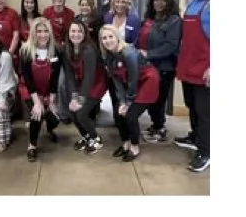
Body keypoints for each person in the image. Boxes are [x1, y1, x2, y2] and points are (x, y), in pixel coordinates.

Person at [98, 23, 159, 163]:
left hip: (147, 82)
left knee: (130, 115)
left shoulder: (128, 52)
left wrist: (129, 101)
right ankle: (125, 143)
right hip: (132, 84)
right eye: (104, 38)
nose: (108, 40)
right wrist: (122, 101)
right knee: (118, 112)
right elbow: (116, 81)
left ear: (117, 37)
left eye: (110, 36)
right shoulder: (108, 55)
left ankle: (135, 146)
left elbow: (133, 78)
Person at [176, 0, 211, 172]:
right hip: (189, 67)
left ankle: (206, 151)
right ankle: (195, 137)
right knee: (192, 106)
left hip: (205, 69)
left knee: (205, 111)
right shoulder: (193, 4)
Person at [17, 17, 65, 161]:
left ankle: (50, 129)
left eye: (46, 31)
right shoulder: (25, 50)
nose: (43, 35)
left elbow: (55, 77)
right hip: (30, 89)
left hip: (48, 90)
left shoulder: (56, 50)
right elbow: (28, 78)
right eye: (39, 31)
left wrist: (51, 101)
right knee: (36, 116)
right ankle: (32, 145)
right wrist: (36, 102)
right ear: (33, 33)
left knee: (54, 117)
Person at [140, 0, 181, 142]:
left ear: (168, 1)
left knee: (159, 99)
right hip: (149, 66)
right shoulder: (150, 18)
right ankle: (155, 124)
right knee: (150, 98)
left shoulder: (174, 20)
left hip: (164, 67)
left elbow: (171, 45)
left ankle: (160, 127)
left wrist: (149, 54)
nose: (159, 3)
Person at [61, 18, 104, 151]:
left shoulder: (89, 50)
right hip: (81, 84)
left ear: (85, 33)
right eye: (73, 31)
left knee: (81, 113)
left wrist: (80, 99)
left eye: (80, 31)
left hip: (96, 84)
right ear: (68, 33)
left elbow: (89, 77)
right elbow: (69, 76)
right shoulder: (66, 49)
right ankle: (86, 136)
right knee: (72, 111)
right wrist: (74, 97)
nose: (76, 34)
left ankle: (96, 138)